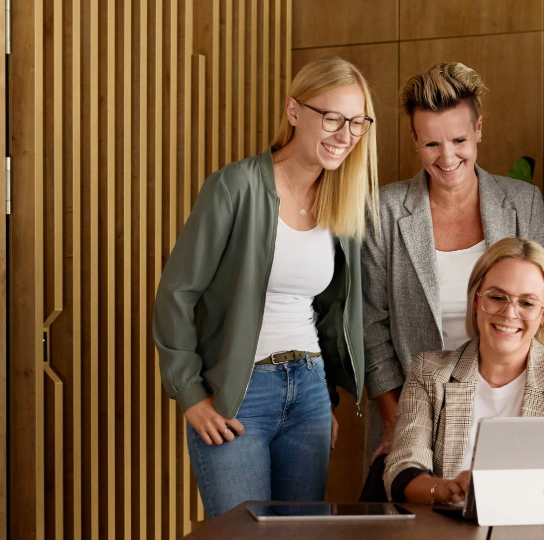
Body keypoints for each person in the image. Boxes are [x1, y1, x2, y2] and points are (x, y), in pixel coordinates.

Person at [152, 56, 379, 519]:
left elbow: (326, 310)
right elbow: (177, 293)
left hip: (309, 392)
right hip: (240, 392)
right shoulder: (234, 187)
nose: (344, 135)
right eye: (332, 118)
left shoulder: (343, 201)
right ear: (294, 112)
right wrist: (190, 395)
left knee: (302, 536)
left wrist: (323, 397)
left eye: (357, 122)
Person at [362, 62, 544, 471]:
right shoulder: (383, 211)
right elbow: (370, 327)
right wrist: (399, 423)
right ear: (413, 139)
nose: (447, 156)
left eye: (458, 139)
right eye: (432, 144)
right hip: (408, 417)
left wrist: (528, 416)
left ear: (478, 130)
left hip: (510, 414)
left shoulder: (522, 203)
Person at [382, 237, 544, 503]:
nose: (509, 313)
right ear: (476, 301)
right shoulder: (429, 373)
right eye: (497, 297)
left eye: (527, 303)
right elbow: (403, 467)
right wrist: (445, 489)